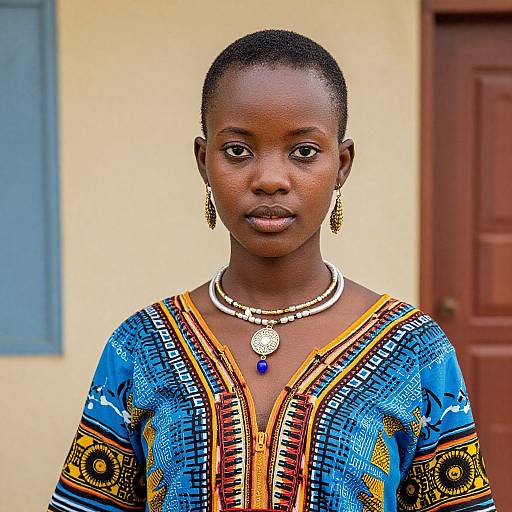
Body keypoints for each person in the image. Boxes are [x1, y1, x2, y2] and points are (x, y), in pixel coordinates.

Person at [47, 29, 495, 512]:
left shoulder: (413, 350)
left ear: (341, 164)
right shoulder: (140, 346)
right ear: (203, 161)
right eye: (238, 151)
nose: (270, 180)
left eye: (304, 152)